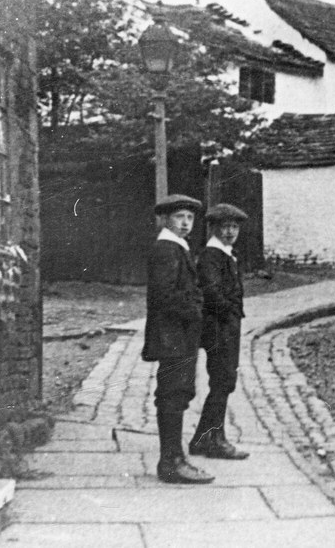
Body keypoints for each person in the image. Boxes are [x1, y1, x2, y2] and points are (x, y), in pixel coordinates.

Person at [143, 194, 215, 484]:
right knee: (173, 393)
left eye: (190, 218)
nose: (186, 223)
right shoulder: (166, 249)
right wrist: (196, 309)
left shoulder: (178, 248)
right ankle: (171, 461)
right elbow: (165, 296)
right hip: (172, 334)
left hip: (179, 334)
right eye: (179, 217)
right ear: (165, 220)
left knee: (180, 392)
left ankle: (174, 457)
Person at [189, 203, 250, 460]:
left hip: (227, 326)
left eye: (234, 227)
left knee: (224, 382)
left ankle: (204, 439)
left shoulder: (226, 254)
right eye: (224, 226)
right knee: (222, 381)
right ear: (213, 228)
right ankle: (214, 440)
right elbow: (211, 293)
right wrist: (231, 312)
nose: (229, 232)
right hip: (218, 327)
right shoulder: (211, 256)